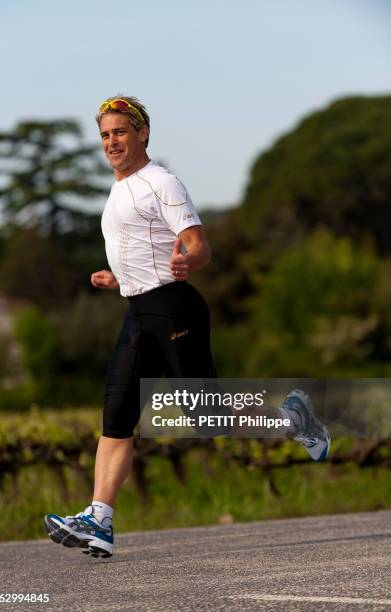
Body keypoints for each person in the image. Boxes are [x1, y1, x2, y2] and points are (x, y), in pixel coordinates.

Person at [44, 95, 330, 558]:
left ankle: (297, 420)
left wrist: (188, 260)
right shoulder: (120, 189)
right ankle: (99, 518)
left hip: (175, 309)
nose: (112, 141)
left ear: (143, 134)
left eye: (120, 131)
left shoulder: (162, 183)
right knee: (116, 416)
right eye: (105, 135)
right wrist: (119, 277)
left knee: (210, 420)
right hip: (138, 311)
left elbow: (198, 246)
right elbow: (146, 247)